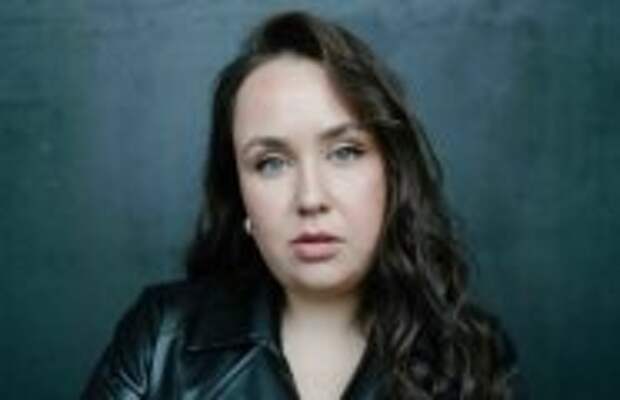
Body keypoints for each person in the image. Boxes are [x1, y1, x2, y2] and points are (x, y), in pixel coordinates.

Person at [82, 11, 521, 400]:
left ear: (392, 173)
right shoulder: (162, 340)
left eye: (345, 152)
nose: (310, 198)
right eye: (271, 163)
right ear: (239, 194)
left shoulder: (470, 357)